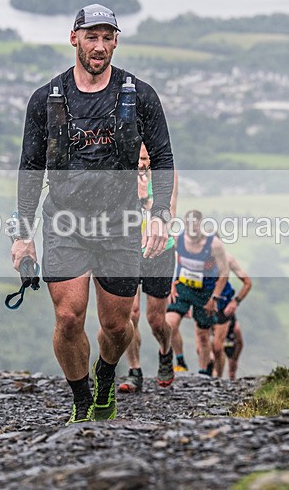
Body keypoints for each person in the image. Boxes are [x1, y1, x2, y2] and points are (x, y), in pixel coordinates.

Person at [13, 4, 175, 425]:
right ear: (74, 39)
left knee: (118, 326)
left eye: (107, 38)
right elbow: (31, 168)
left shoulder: (140, 95)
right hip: (65, 222)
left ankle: (106, 376)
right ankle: (83, 401)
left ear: (116, 41)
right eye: (91, 37)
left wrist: (159, 214)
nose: (99, 46)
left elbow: (162, 157)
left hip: (120, 224)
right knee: (68, 317)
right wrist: (23, 233)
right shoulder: (46, 100)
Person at [118, 146, 179, 394]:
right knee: (130, 314)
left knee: (156, 320)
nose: (141, 164)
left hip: (160, 251)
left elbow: (168, 213)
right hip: (128, 251)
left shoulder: (167, 176)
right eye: (137, 158)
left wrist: (144, 197)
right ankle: (134, 370)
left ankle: (165, 350)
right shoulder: (122, 175)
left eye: (145, 159)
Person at [166, 210, 229, 375]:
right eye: (189, 228)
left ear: (201, 225)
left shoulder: (214, 244)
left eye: (195, 228)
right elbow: (168, 260)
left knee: (203, 334)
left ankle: (203, 372)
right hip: (183, 287)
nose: (192, 233)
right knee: (169, 324)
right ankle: (179, 361)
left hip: (206, 291)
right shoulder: (178, 238)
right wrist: (171, 283)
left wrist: (214, 298)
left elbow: (224, 273)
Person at [209, 253, 252, 380]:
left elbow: (247, 282)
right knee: (205, 343)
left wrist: (235, 302)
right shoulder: (196, 257)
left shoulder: (227, 260)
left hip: (223, 306)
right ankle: (210, 375)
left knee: (232, 338)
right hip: (205, 306)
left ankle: (229, 371)